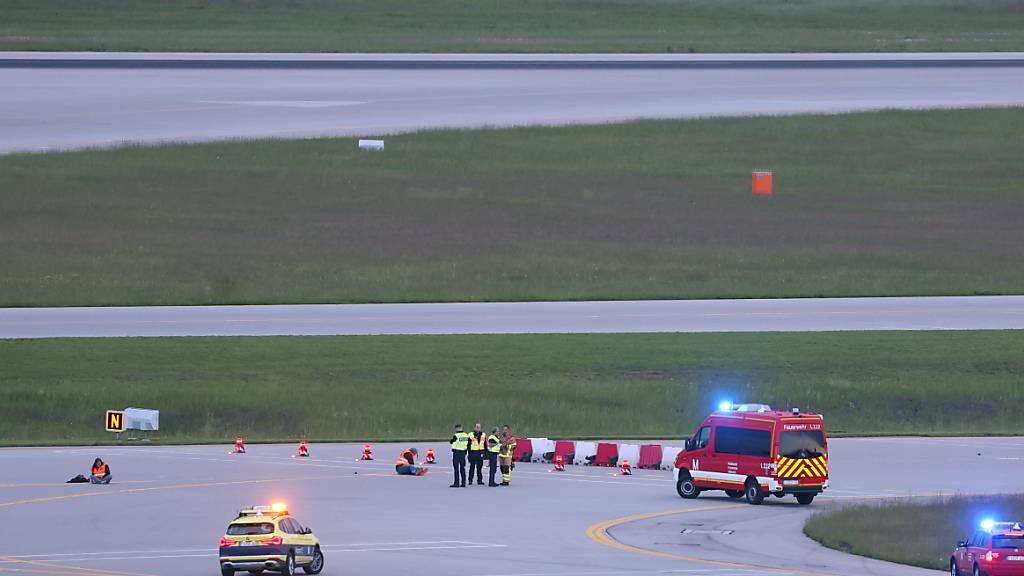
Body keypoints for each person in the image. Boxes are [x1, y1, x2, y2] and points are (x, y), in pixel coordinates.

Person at [449, 424, 470, 488]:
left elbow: (451, 442)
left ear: (457, 429)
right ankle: (463, 483)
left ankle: (456, 483)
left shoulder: (456, 435)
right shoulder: (466, 435)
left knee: (456, 469)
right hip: (463, 453)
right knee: (462, 468)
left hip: (456, 452)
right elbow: (469, 444)